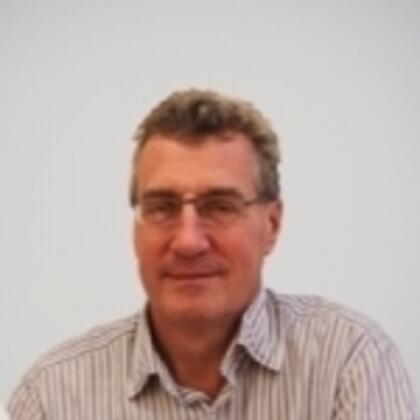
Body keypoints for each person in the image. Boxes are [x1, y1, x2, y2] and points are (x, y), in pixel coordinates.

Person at [8, 89, 418, 419]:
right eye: (162, 208)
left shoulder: (349, 363)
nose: (188, 241)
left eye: (220, 207)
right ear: (135, 229)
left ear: (272, 226)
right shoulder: (53, 397)